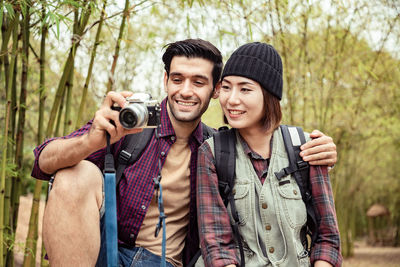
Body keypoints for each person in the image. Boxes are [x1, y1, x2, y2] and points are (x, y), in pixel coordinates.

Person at [31, 39, 337, 267]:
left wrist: (317, 152)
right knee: (75, 172)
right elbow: (43, 161)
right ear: (165, 81)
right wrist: (91, 141)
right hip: (102, 252)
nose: (186, 90)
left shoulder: (219, 150)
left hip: (164, 261)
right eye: (177, 79)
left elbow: (264, 157)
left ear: (215, 89)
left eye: (198, 81)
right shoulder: (130, 123)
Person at [196, 42, 342, 267]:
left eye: (245, 89)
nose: (231, 99)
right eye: (226, 87)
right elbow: (217, 244)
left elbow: (328, 238)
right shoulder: (212, 153)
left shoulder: (305, 147)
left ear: (269, 94)